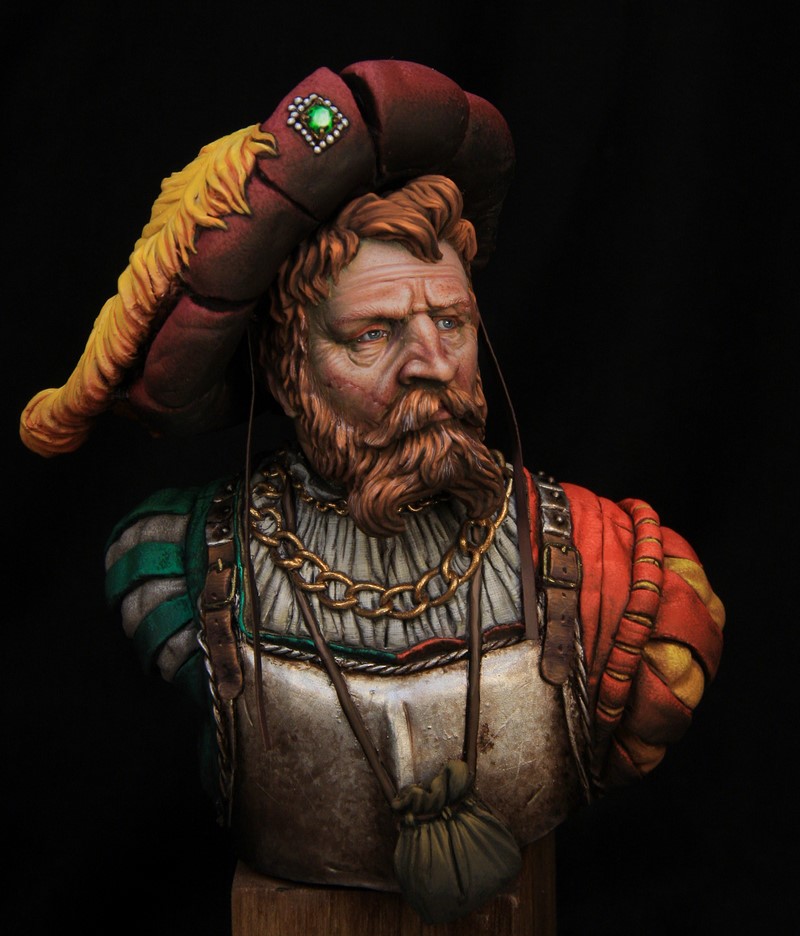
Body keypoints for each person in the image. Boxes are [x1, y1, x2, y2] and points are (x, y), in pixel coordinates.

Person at [19, 61, 724, 925]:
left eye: (452, 322)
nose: (432, 363)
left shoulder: (623, 574)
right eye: (374, 334)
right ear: (291, 372)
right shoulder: (172, 564)